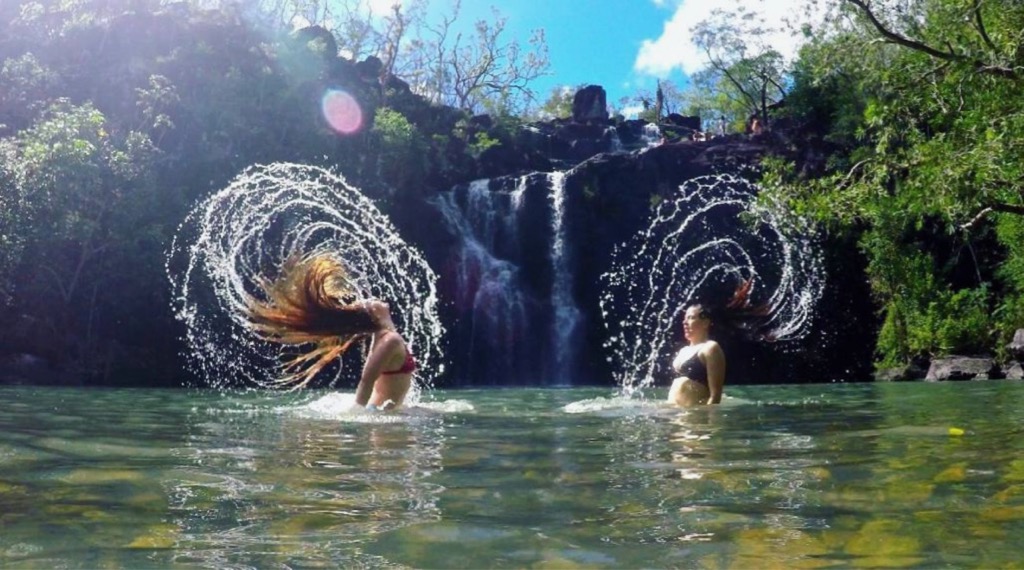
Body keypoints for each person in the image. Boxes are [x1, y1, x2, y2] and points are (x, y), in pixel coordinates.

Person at [244, 254, 415, 410]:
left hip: (387, 411)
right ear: (374, 316)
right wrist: (357, 413)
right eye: (368, 303)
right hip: (380, 416)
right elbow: (367, 380)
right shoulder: (389, 340)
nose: (371, 299)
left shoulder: (383, 337)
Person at [667, 279, 764, 407]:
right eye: (684, 319)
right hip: (674, 416)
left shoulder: (710, 348)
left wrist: (710, 425)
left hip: (694, 417)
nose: (684, 322)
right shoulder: (683, 351)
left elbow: (715, 396)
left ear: (705, 323)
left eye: (690, 318)